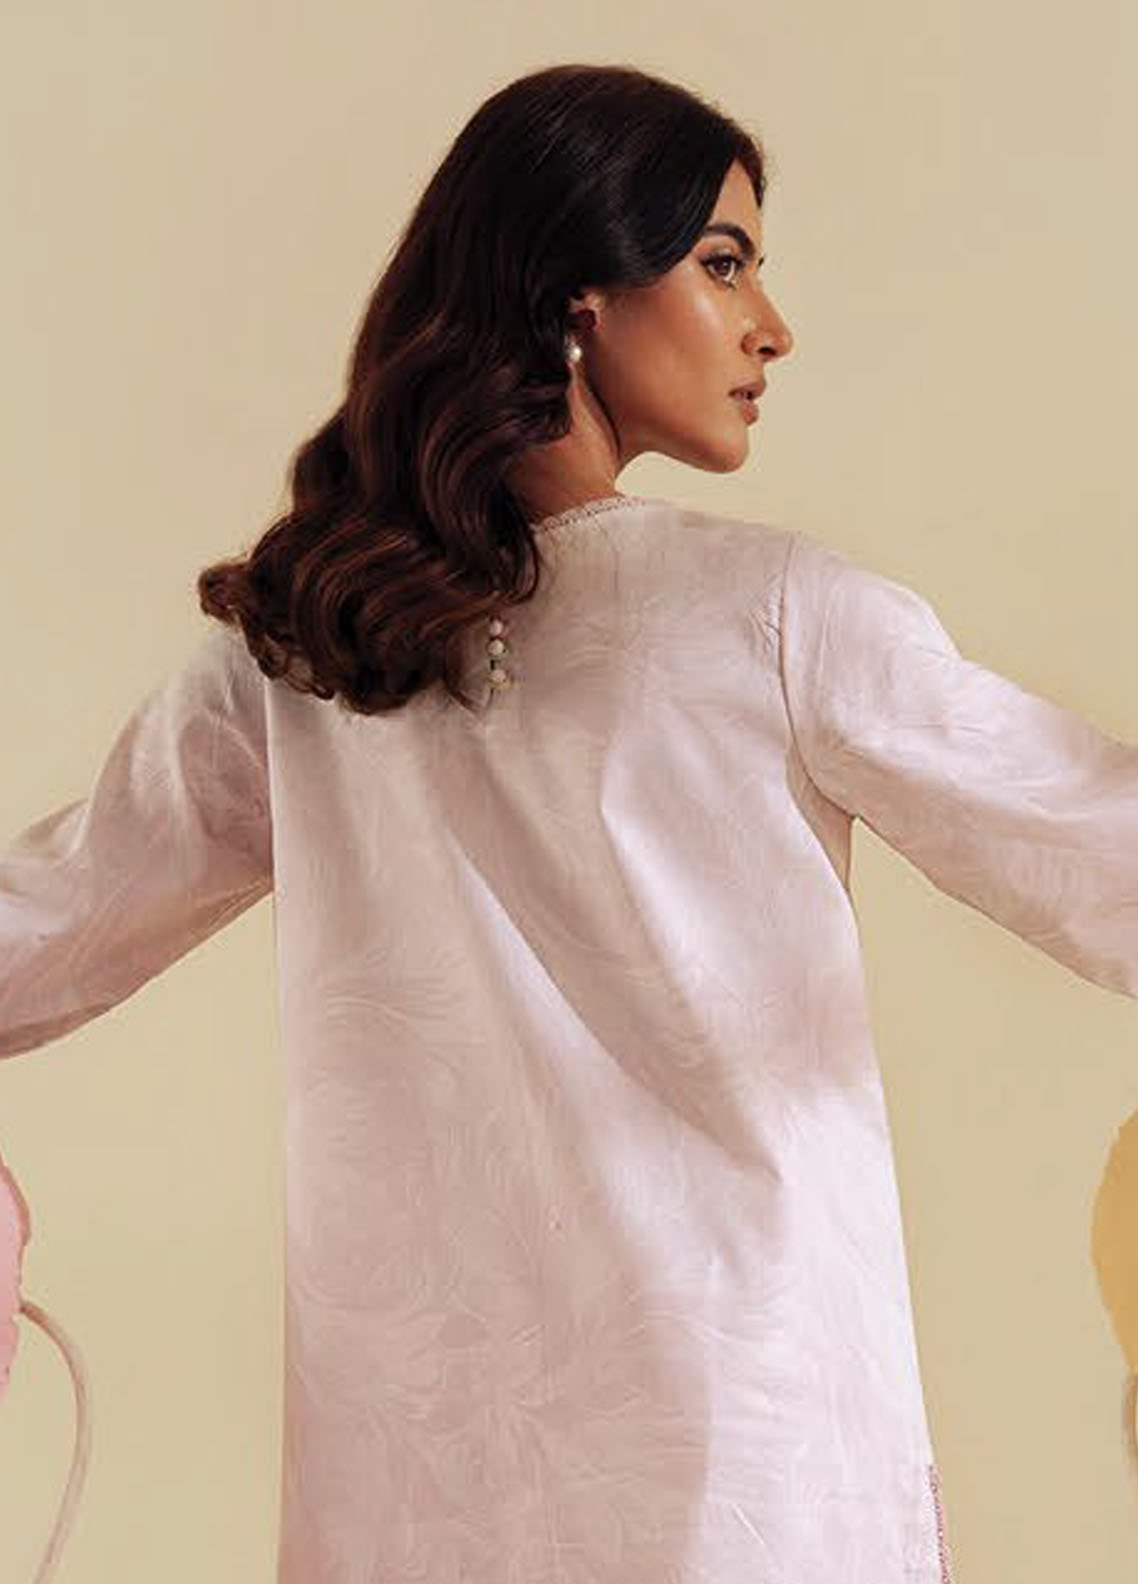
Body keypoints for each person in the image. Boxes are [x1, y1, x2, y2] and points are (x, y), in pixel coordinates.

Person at [1, 60, 1135, 1584]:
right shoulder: (774, 619)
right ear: (576, 297)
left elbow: (40, 927)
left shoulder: (305, 661)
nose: (769, 326)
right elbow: (1100, 854)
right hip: (748, 1481)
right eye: (722, 263)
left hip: (418, 1501)